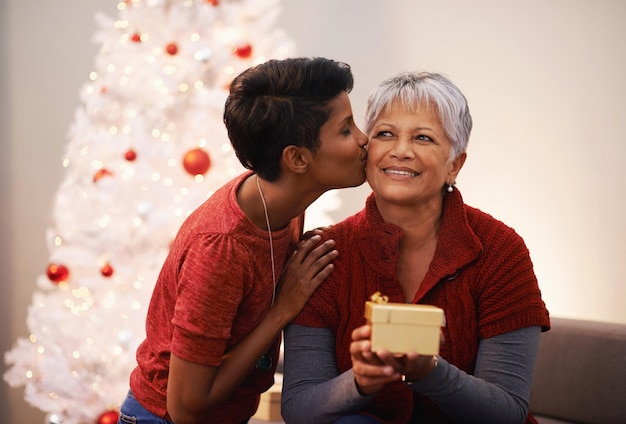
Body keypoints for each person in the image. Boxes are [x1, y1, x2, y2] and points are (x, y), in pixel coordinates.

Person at [281, 71, 550, 424]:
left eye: (423, 138)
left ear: (454, 165)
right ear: (367, 150)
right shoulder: (324, 252)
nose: (401, 151)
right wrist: (360, 382)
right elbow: (299, 407)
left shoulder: (500, 250)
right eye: (385, 134)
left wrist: (429, 372)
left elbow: (507, 411)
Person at [117, 57, 369, 424]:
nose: (364, 139)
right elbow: (185, 407)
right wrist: (282, 309)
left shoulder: (282, 204)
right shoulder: (222, 249)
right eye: (346, 130)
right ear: (297, 158)